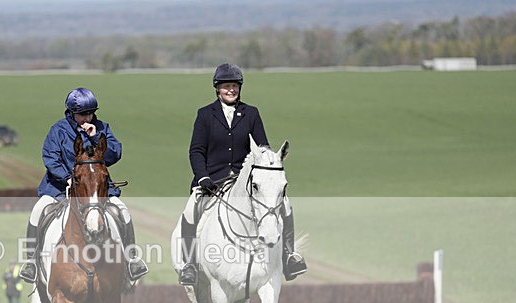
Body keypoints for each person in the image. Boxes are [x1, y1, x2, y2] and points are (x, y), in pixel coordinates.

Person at [178, 63, 307, 286]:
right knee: (191, 209)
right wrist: (203, 177)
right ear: (217, 89)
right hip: (213, 180)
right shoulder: (205, 115)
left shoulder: (251, 113)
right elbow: (196, 151)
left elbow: (263, 148)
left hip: (245, 181)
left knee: (284, 204)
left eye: (235, 86)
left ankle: (289, 256)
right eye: (226, 86)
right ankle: (189, 264)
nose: (231, 90)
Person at [17, 87, 148, 284]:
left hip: (95, 188)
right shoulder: (58, 130)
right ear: (71, 113)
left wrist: (96, 137)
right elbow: (51, 159)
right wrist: (67, 178)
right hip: (60, 187)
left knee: (123, 210)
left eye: (91, 113)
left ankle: (131, 259)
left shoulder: (102, 128)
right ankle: (30, 262)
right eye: (82, 114)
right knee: (38, 210)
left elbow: (115, 154)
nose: (88, 117)